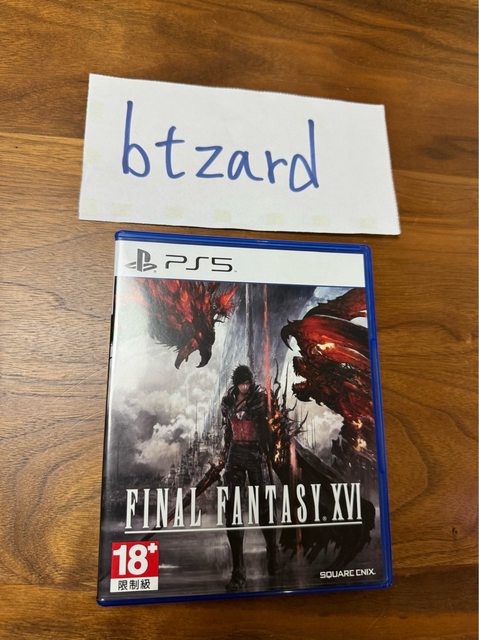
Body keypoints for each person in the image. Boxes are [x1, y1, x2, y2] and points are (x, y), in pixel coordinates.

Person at [220, 365, 278, 591]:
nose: (244, 387)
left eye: (247, 383)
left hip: (255, 452)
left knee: (263, 505)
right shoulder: (228, 402)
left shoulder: (258, 399)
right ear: (236, 384)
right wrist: (225, 454)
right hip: (236, 452)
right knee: (232, 509)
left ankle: (272, 552)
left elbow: (265, 424)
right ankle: (238, 572)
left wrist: (267, 449)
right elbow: (228, 429)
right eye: (241, 383)